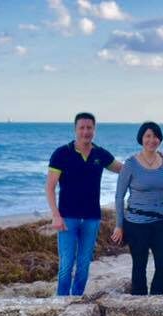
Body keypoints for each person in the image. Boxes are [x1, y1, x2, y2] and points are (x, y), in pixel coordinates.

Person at [46, 112, 122, 296]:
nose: (85, 132)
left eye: (89, 128)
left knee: (84, 264)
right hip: (67, 218)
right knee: (66, 264)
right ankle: (61, 301)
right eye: (82, 127)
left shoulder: (100, 154)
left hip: (91, 218)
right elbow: (49, 187)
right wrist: (56, 215)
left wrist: (147, 163)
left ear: (94, 130)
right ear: (75, 129)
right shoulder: (61, 153)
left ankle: (77, 298)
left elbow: (122, 169)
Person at [112, 122, 163, 295]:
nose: (151, 140)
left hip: (161, 222)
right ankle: (139, 302)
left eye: (155, 136)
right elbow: (119, 196)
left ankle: (156, 298)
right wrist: (119, 224)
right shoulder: (131, 164)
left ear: (160, 139)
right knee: (139, 266)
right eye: (147, 136)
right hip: (136, 223)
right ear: (141, 138)